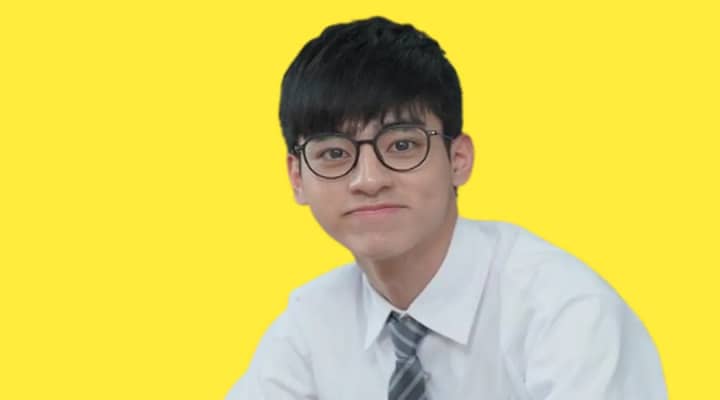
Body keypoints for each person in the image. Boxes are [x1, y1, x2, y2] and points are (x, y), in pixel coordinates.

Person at [227, 16, 666, 400]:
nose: (368, 180)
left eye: (402, 146)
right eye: (334, 153)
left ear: (459, 159)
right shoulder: (311, 322)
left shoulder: (566, 312)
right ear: (297, 177)